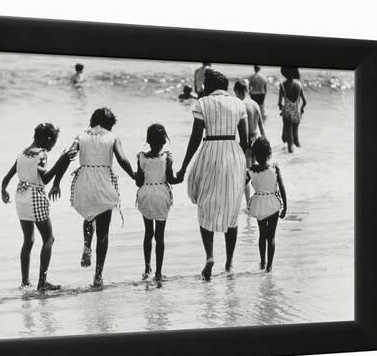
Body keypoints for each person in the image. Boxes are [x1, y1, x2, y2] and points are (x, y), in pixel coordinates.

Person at [50, 108, 136, 287]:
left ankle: (86, 245)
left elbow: (68, 157)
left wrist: (56, 182)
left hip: (84, 182)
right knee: (103, 231)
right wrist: (135, 176)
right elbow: (122, 160)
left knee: (89, 215)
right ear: (110, 124)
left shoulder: (80, 136)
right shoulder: (113, 138)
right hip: (103, 182)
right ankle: (98, 275)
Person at [177, 70, 248, 280]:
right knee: (232, 209)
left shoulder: (202, 103)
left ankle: (209, 256)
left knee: (205, 204)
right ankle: (229, 264)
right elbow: (245, 141)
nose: (203, 87)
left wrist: (183, 167)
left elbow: (195, 138)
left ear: (210, 85)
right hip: (234, 155)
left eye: (205, 83)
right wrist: (245, 167)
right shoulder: (239, 104)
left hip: (210, 151)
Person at [1, 123, 77, 292]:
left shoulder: (22, 153)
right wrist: (62, 159)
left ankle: (25, 282)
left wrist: (3, 190)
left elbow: (6, 177)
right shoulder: (41, 154)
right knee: (49, 239)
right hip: (35, 196)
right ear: (48, 140)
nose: (52, 146)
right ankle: (42, 282)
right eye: (53, 142)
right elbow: (46, 179)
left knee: (28, 240)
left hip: (20, 197)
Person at [135, 124, 183, 286]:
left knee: (148, 233)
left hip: (146, 195)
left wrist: (138, 173)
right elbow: (171, 179)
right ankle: (159, 272)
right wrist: (181, 176)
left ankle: (147, 267)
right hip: (161, 195)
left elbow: (138, 182)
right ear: (164, 141)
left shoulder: (141, 157)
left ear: (148, 140)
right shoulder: (167, 157)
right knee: (160, 236)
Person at [246, 137, 287, 272]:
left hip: (259, 205)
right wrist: (285, 206)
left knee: (262, 235)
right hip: (273, 204)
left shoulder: (251, 171)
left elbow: (240, 185)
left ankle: (262, 262)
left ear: (255, 155)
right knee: (271, 236)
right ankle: (269, 266)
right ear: (270, 153)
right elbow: (281, 187)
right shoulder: (275, 169)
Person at [233, 80, 266, 206]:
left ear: (238, 91)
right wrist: (265, 145)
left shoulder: (240, 104)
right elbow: (262, 128)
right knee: (254, 172)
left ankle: (248, 204)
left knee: (245, 174)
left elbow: (239, 129)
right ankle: (259, 198)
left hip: (246, 142)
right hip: (256, 140)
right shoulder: (255, 104)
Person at [278, 66, 307, 153]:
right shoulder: (299, 85)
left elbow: (279, 103)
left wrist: (283, 109)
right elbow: (305, 102)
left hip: (287, 115)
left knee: (290, 142)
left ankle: (291, 163)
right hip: (297, 114)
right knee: (296, 140)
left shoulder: (283, 85)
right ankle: (302, 156)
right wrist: (301, 109)